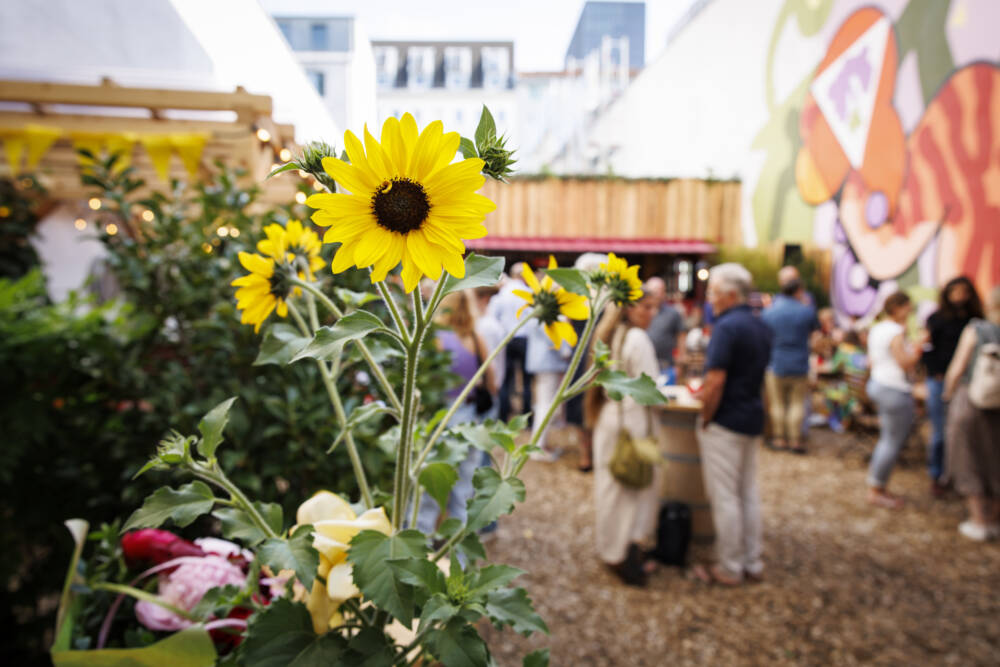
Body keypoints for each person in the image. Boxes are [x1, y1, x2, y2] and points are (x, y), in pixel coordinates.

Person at [694, 263, 772, 587]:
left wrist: (706, 418)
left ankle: (729, 566)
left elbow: (715, 380)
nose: (709, 299)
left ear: (729, 294)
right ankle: (752, 561)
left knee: (725, 496)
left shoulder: (726, 328)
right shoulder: (760, 326)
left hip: (726, 420)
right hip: (751, 417)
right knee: (748, 492)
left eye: (712, 292)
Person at [585, 290, 661, 586]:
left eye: (654, 307)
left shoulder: (610, 334)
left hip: (609, 419)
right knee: (631, 491)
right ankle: (624, 555)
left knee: (609, 489)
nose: (651, 313)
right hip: (632, 426)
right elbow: (651, 388)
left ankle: (610, 550)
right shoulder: (637, 339)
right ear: (628, 309)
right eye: (646, 307)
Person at [415, 292, 496, 534]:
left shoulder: (435, 339)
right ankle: (459, 555)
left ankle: (420, 550)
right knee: (464, 492)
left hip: (441, 417)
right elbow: (492, 382)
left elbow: (424, 383)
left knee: (429, 488)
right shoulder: (475, 338)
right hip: (470, 418)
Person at [942, 285, 1000, 541]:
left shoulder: (977, 329)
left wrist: (947, 393)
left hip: (971, 400)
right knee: (995, 460)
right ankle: (993, 520)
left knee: (968, 457)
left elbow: (957, 368)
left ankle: (978, 520)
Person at [923, 276, 984, 496]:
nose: (959, 296)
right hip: (941, 381)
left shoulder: (975, 320)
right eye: (955, 291)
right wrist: (937, 373)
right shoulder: (937, 319)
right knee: (940, 432)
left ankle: (960, 476)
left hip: (967, 384)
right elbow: (927, 349)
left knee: (964, 434)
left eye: (964, 291)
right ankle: (938, 475)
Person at [865, 291, 925, 510]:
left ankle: (878, 485)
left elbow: (871, 362)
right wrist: (919, 348)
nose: (910, 312)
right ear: (898, 308)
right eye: (908, 307)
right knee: (891, 441)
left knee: (887, 439)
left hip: (878, 384)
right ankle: (876, 489)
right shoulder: (895, 332)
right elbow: (904, 362)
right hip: (893, 388)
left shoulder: (877, 328)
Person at [762, 266, 819, 454]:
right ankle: (795, 440)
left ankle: (779, 438)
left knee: (777, 404)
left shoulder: (770, 312)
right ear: (799, 291)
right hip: (799, 363)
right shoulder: (806, 311)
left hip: (776, 362)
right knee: (796, 404)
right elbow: (816, 337)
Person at [489, 263, 533, 423]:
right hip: (524, 339)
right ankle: (527, 417)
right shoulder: (529, 292)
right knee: (527, 380)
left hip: (506, 339)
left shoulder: (503, 293)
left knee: (506, 378)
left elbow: (494, 316)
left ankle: (503, 415)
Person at [525, 318, 570, 460]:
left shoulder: (536, 313)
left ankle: (539, 444)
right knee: (546, 406)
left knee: (543, 404)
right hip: (548, 362)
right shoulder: (549, 315)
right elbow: (553, 338)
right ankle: (538, 446)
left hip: (539, 362)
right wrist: (566, 352)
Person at [645, 276, 687, 375]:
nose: (656, 294)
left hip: (666, 366)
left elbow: (681, 337)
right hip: (644, 364)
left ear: (664, 293)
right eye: (653, 291)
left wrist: (679, 366)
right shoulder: (641, 312)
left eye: (659, 291)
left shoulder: (673, 313)